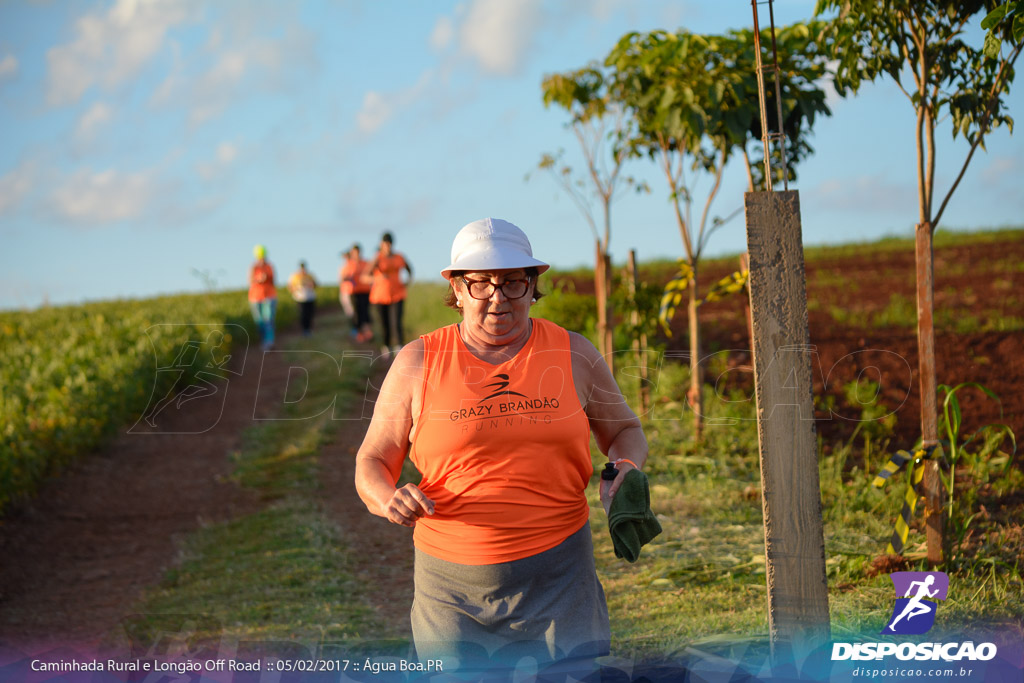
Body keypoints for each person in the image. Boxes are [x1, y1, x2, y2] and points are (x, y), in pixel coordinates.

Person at [354, 217, 649, 674]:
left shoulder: (573, 354)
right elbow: (372, 460)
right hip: (451, 596)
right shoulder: (418, 361)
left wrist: (626, 467)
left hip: (561, 583)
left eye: (513, 282)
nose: (498, 296)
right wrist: (387, 497)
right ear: (457, 288)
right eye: (481, 284)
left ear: (532, 286)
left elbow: (624, 431)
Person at [369, 232, 412, 357]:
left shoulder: (399, 257)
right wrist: (377, 279)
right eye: (385, 244)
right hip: (380, 296)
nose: (387, 246)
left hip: (397, 294)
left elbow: (409, 269)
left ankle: (399, 347)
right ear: (381, 244)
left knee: (396, 322)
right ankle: (386, 346)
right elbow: (364, 276)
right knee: (384, 323)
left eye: (389, 243)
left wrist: (407, 281)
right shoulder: (377, 258)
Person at [340, 244, 374, 342]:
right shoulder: (348, 265)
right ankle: (359, 333)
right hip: (353, 292)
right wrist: (349, 277)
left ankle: (367, 332)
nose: (356, 254)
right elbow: (343, 278)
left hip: (365, 291)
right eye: (354, 252)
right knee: (356, 312)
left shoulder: (366, 263)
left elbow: (371, 274)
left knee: (365, 311)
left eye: (358, 252)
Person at [248, 244, 277, 350]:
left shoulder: (269, 266)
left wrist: (266, 277)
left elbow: (274, 281)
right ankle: (263, 341)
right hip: (255, 298)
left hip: (269, 296)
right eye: (259, 256)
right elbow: (250, 280)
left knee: (268, 320)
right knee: (259, 322)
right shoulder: (253, 267)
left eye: (263, 256)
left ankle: (269, 342)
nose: (261, 258)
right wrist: (258, 279)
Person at [288, 260, 318, 336]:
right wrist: (296, 290)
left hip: (310, 297)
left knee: (310, 314)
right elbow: (290, 286)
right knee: (303, 314)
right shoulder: (295, 276)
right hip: (300, 298)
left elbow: (315, 284)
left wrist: (312, 285)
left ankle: (309, 329)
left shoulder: (310, 275)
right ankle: (305, 329)